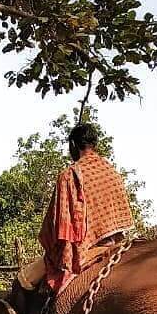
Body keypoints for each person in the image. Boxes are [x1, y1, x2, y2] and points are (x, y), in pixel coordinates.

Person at [17, 122, 135, 295]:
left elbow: (56, 229)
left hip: (84, 253)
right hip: (118, 245)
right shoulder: (113, 174)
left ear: (73, 144)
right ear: (94, 144)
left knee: (23, 280)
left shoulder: (69, 175)